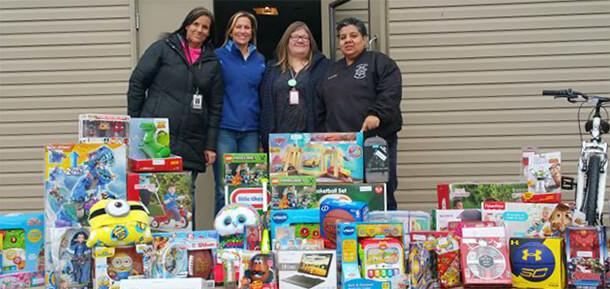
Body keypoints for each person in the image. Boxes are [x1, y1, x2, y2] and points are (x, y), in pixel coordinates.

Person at [127, 7, 223, 223]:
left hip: (192, 139)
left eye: (205, 27)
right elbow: (137, 82)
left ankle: (186, 246)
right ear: (187, 25)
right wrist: (136, 123)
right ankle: (153, 245)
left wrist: (210, 145)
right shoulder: (163, 48)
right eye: (195, 24)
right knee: (152, 190)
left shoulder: (212, 63)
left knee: (185, 194)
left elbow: (216, 106)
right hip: (155, 137)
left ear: (209, 33)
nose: (199, 30)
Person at [317, 17, 402, 210]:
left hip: (375, 142)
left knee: (380, 192)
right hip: (341, 148)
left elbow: (391, 92)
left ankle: (383, 237)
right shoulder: (331, 70)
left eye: (353, 36)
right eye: (343, 37)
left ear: (364, 39)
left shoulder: (380, 62)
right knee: (344, 195)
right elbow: (320, 107)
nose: (348, 40)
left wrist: (376, 115)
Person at [214, 11, 266, 214]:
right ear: (231, 30)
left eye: (247, 27)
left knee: (247, 186)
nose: (243, 31)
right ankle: (222, 236)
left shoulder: (259, 59)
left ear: (252, 32)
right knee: (223, 187)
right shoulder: (218, 56)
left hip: (251, 132)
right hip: (224, 130)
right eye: (239, 26)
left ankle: (247, 236)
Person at [259, 21, 331, 149]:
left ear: (310, 42)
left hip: (312, 138)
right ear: (287, 41)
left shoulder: (324, 67)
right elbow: (264, 102)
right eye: (295, 36)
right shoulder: (272, 68)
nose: (300, 40)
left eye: (304, 37)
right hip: (279, 139)